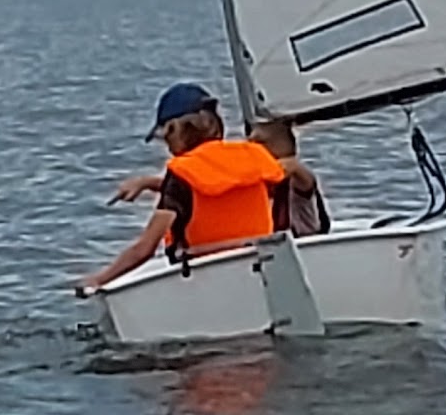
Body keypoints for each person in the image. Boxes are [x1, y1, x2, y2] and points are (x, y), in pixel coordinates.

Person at [75, 83, 322, 294]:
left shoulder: (181, 173)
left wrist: (99, 280)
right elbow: (213, 190)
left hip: (205, 278)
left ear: (174, 129)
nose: (166, 144)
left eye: (164, 135)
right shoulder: (254, 157)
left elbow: (145, 249)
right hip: (259, 268)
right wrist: (148, 183)